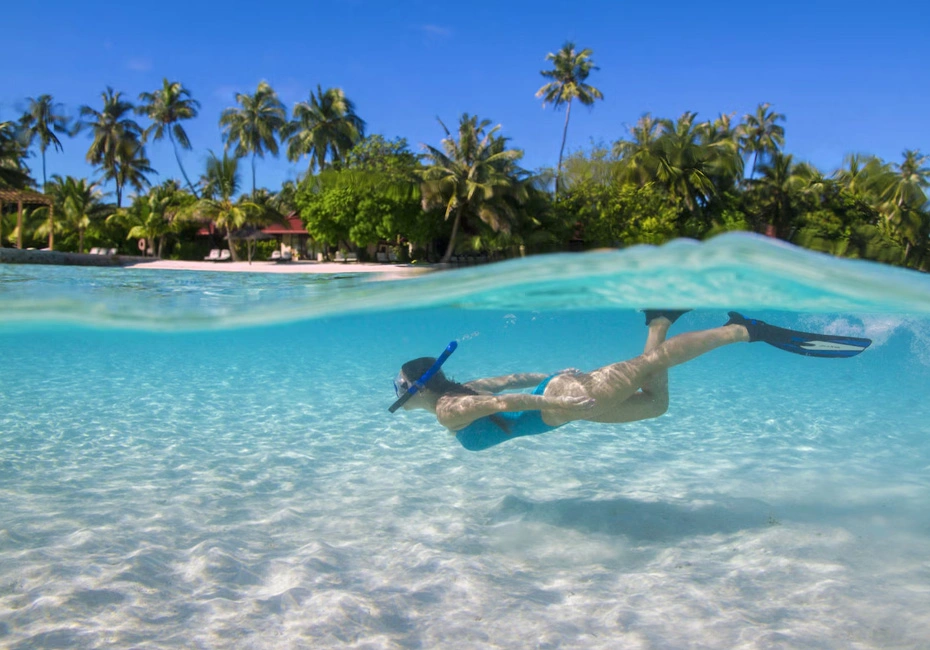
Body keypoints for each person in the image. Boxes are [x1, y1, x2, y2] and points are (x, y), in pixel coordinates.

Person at [389, 311, 872, 451]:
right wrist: (555, 376)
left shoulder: (449, 410)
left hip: (560, 405)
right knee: (654, 403)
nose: (401, 400)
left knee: (643, 370)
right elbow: (516, 378)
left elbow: (502, 402)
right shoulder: (462, 387)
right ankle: (658, 319)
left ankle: (745, 330)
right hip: (557, 403)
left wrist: (561, 388)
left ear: (417, 391)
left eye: (401, 392)